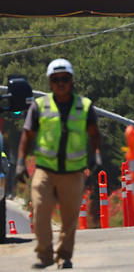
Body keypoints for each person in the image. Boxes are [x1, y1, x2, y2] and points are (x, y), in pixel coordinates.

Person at [15, 58, 101, 269]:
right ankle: (44, 256)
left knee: (69, 219)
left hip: (73, 172)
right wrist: (20, 163)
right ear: (49, 83)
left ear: (71, 81)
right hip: (45, 170)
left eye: (64, 79)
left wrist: (97, 155)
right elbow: (27, 135)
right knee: (40, 210)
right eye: (55, 79)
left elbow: (94, 134)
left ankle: (64, 257)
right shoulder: (39, 106)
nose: (60, 83)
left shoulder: (85, 106)